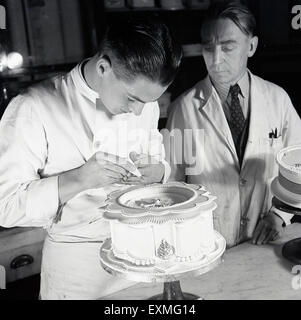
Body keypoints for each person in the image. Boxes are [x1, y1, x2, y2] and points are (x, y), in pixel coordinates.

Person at [0, 19, 182, 299]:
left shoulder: (144, 104)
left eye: (147, 103)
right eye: (132, 99)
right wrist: (79, 179)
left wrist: (158, 172)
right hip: (76, 272)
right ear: (103, 68)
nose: (138, 112)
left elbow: (158, 158)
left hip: (140, 258)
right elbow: (6, 203)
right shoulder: (33, 107)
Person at [165, 1, 301, 248]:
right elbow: (172, 186)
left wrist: (279, 215)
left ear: (251, 46)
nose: (216, 59)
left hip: (265, 241)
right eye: (208, 47)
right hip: (206, 244)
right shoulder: (183, 109)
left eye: (227, 47)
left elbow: (297, 169)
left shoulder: (277, 100)